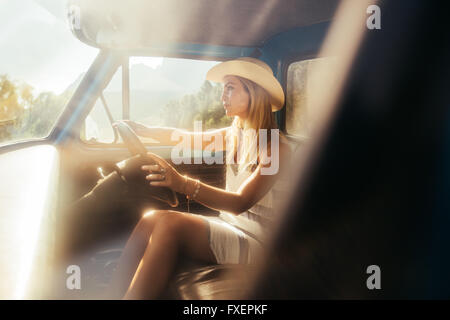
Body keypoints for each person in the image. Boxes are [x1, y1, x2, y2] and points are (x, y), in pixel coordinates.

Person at [109, 57, 292, 299]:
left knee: (169, 224)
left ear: (254, 93)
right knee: (151, 218)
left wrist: (182, 184)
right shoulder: (235, 134)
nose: (222, 96)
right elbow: (183, 137)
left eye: (230, 87)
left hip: (259, 243)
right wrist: (143, 130)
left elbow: (240, 202)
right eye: (223, 88)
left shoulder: (276, 147)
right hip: (231, 226)